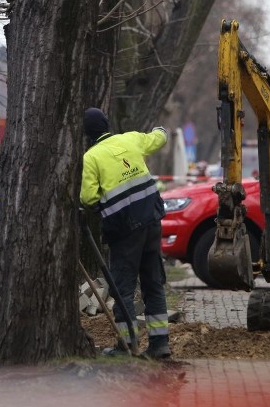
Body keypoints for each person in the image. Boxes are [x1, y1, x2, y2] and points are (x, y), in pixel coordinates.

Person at [79, 107, 171, 359]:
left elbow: (88, 198)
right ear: (107, 124)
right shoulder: (130, 139)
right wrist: (160, 130)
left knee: (123, 289)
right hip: (151, 220)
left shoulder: (91, 158)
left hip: (123, 230)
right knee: (153, 283)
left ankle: (128, 346)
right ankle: (160, 344)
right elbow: (159, 138)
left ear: (86, 134)